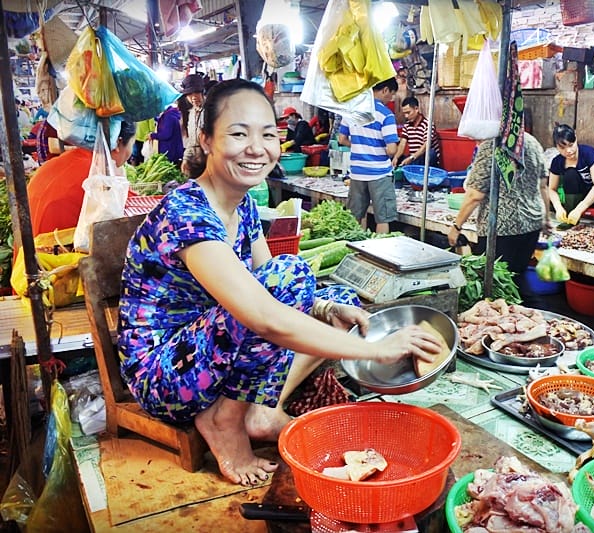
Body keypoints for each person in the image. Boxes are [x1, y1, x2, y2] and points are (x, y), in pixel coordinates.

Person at [117, 79, 443, 486]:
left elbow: (275, 285)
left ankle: (261, 409)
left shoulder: (242, 205)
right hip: (166, 376)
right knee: (289, 277)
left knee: (334, 298)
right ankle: (223, 422)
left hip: (214, 352)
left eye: (268, 134)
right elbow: (265, 314)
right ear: (206, 139)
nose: (257, 148)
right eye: (239, 134)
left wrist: (325, 307)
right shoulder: (186, 212)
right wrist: (375, 349)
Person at [447, 132, 549, 302]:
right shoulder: (532, 142)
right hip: (532, 224)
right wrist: (546, 219)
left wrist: (456, 226)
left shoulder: (492, 145)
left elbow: (475, 195)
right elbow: (543, 186)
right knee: (516, 279)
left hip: (502, 229)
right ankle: (534, 313)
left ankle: (532, 312)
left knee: (495, 286)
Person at [27, 121, 136, 236]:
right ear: (118, 143)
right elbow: (129, 207)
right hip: (57, 245)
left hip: (28, 245)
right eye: (132, 144)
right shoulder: (98, 174)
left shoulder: (60, 161)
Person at [337, 78, 400, 234]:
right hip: (379, 173)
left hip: (357, 173)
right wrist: (377, 149)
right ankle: (380, 247)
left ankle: (354, 244)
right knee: (383, 218)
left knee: (355, 216)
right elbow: (392, 149)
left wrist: (359, 146)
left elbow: (341, 139)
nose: (391, 99)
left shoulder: (352, 110)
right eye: (391, 94)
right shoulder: (386, 114)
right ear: (385, 90)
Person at [392, 96, 441, 168]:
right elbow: (402, 144)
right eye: (404, 113)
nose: (406, 116)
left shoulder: (428, 124)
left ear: (416, 109)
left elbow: (426, 145)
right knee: (396, 158)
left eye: (408, 113)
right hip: (414, 158)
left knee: (430, 153)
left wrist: (412, 158)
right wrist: (396, 157)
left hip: (425, 159)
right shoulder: (407, 125)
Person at [180, 74, 206, 175]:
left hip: (212, 163)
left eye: (197, 92)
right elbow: (191, 142)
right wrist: (186, 159)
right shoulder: (191, 113)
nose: (194, 97)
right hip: (196, 164)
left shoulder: (211, 111)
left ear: (202, 92)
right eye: (190, 94)